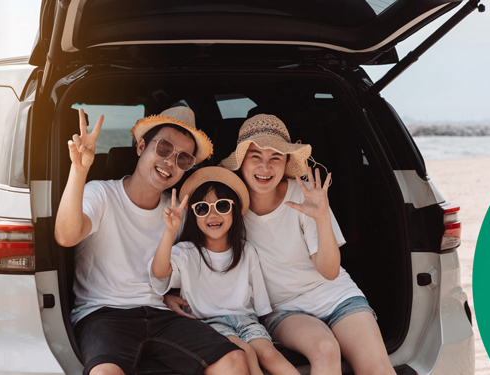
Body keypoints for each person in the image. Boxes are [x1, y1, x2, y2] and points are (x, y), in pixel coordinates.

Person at [166, 114, 395, 375]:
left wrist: (321, 217)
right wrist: (167, 295)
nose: (265, 167)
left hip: (336, 296)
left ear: (286, 162)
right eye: (256, 157)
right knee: (325, 348)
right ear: (241, 162)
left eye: (275, 157)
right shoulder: (225, 205)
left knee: (378, 367)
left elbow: (330, 271)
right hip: (283, 309)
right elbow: (187, 255)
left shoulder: (305, 195)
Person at [55, 106, 247, 375]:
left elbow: (187, 262)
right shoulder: (101, 194)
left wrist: (168, 294)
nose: (170, 161)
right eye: (164, 148)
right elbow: (66, 236)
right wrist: (79, 169)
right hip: (103, 315)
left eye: (183, 159)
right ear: (141, 146)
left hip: (160, 315)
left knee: (234, 361)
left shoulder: (178, 210)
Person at [149, 167, 300, 375]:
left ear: (235, 211)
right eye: (202, 208)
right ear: (193, 214)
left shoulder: (247, 250)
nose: (212, 214)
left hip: (246, 321)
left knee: (269, 354)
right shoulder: (186, 252)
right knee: (245, 352)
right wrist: (169, 231)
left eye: (222, 205)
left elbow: (262, 306)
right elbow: (159, 272)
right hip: (209, 324)